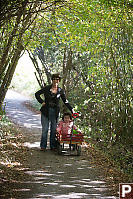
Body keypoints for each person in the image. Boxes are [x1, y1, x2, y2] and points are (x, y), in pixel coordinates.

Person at [35, 73, 74, 151]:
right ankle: (43, 146)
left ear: (59, 81)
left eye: (57, 79)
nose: (55, 81)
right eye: (54, 79)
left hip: (55, 111)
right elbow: (37, 94)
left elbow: (65, 101)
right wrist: (42, 102)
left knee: (54, 129)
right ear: (52, 80)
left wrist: (72, 109)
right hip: (46, 110)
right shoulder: (46, 88)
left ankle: (53, 146)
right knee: (45, 129)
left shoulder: (60, 91)